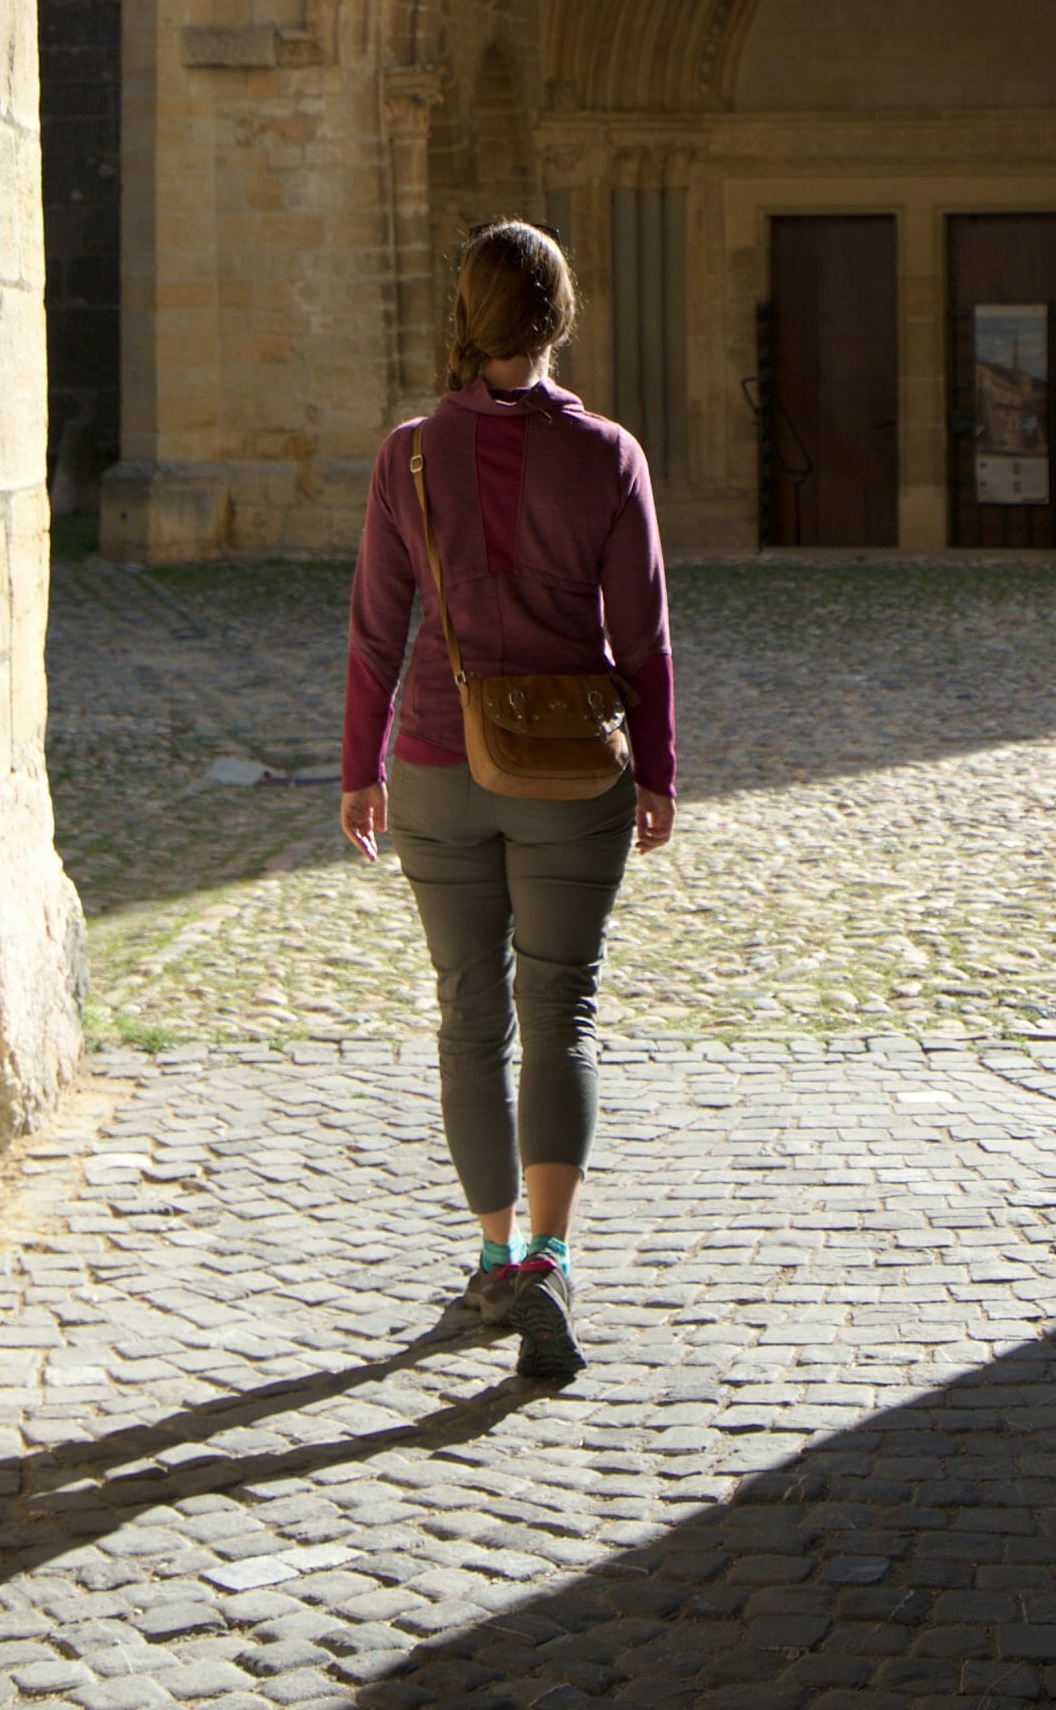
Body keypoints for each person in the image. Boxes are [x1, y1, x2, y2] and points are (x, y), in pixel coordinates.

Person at [340, 220, 676, 1380]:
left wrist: (359, 765)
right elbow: (644, 634)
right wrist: (663, 766)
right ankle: (546, 1257)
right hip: (575, 767)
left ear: (465, 313)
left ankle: (491, 1255)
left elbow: (378, 628)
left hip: (438, 754)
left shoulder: (409, 454)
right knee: (561, 1009)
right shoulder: (609, 454)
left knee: (468, 1015)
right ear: (561, 315)